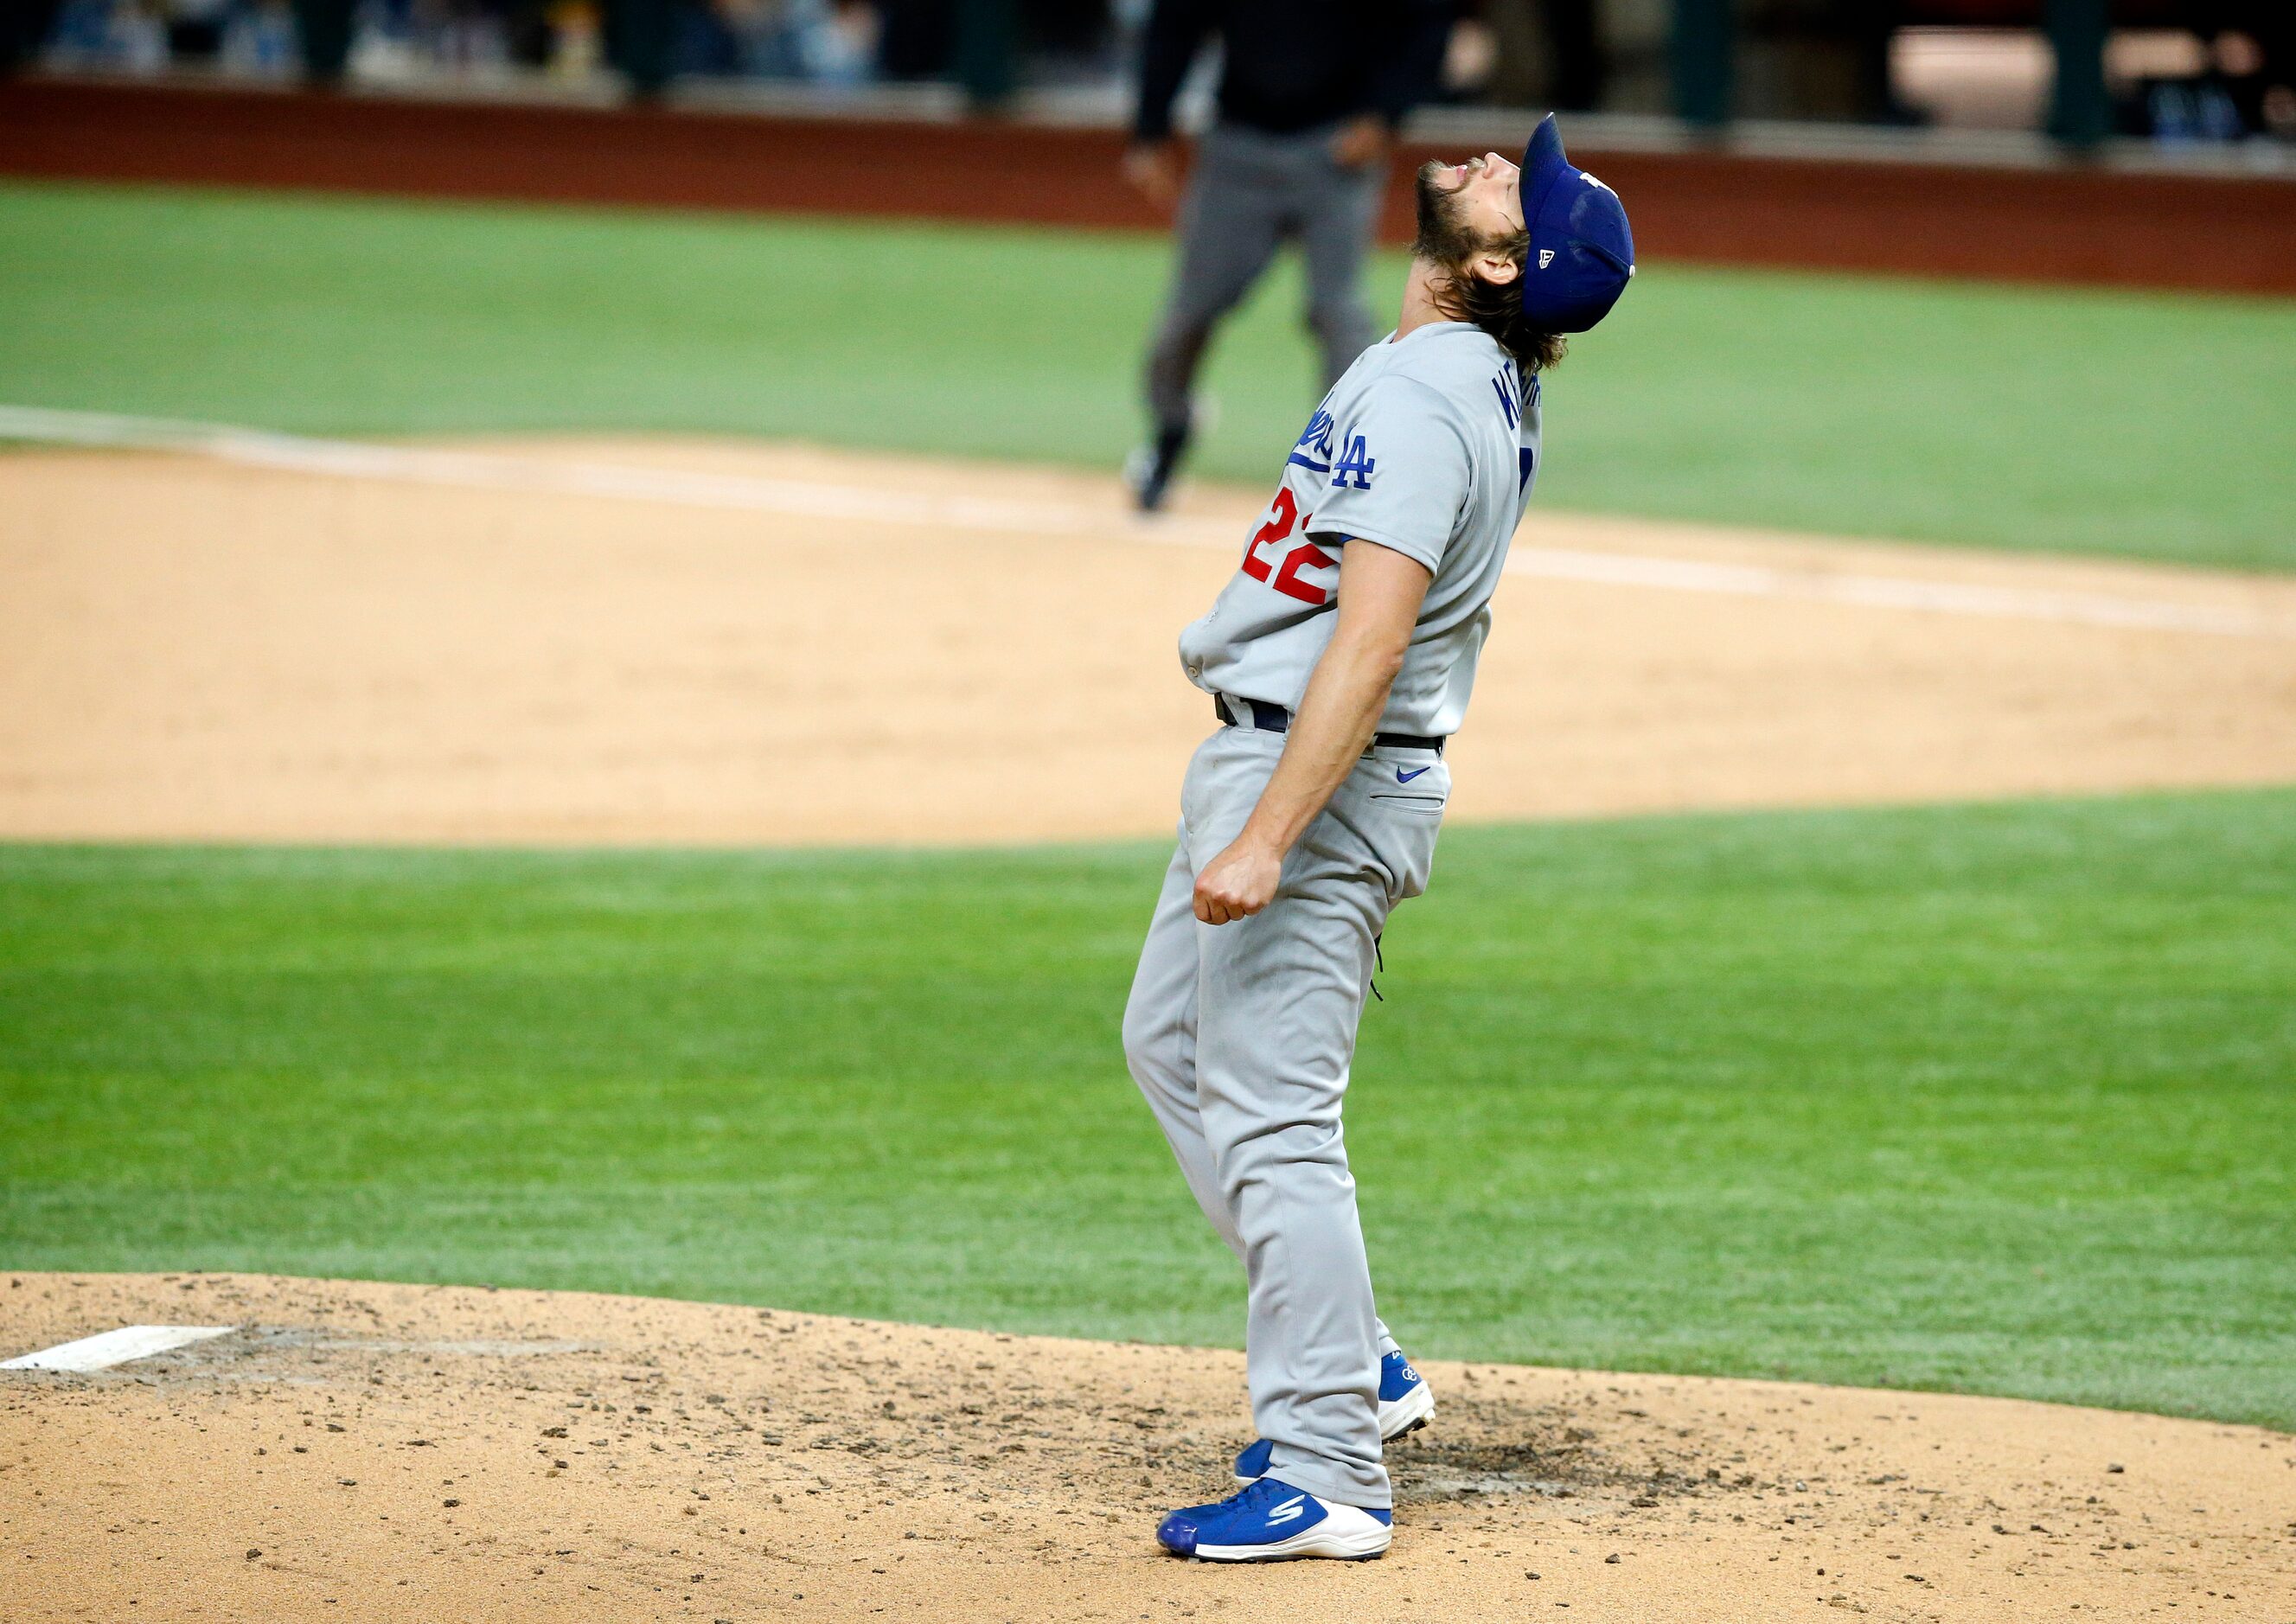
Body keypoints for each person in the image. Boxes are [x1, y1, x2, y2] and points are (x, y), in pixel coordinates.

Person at [1121, 116, 1633, 1562]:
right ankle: (1361, 1359)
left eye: (1514, 188)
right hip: (1293, 756)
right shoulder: (1443, 365)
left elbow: (1373, 629)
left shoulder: (1432, 402)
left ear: (1493, 261)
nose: (1492, 161)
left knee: (1276, 1116)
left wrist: (1273, 831)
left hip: (1317, 774)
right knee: (1171, 1044)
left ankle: (1332, 1465)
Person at [1123, 0, 1455, 512]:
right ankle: (1170, 431)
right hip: (1236, 148)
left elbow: (1427, 24)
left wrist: (1387, 114)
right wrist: (1150, 128)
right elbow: (1175, 24)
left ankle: (1347, 466)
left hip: (1340, 148)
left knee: (1338, 314)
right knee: (1191, 312)